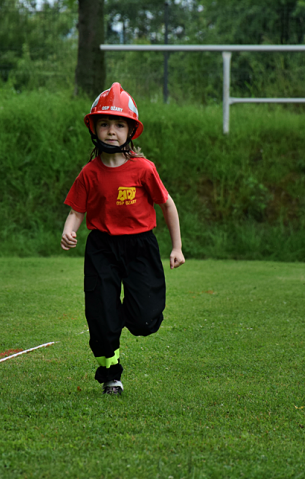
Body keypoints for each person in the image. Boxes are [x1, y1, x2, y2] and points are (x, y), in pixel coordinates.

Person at [61, 82, 185, 395]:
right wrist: (69, 228)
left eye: (119, 124)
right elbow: (77, 209)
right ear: (94, 128)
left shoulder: (144, 169)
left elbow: (167, 204)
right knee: (101, 317)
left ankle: (123, 314)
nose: (111, 130)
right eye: (104, 124)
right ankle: (111, 374)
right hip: (102, 247)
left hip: (140, 246)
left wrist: (177, 247)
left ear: (131, 131)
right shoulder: (89, 173)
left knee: (144, 321)